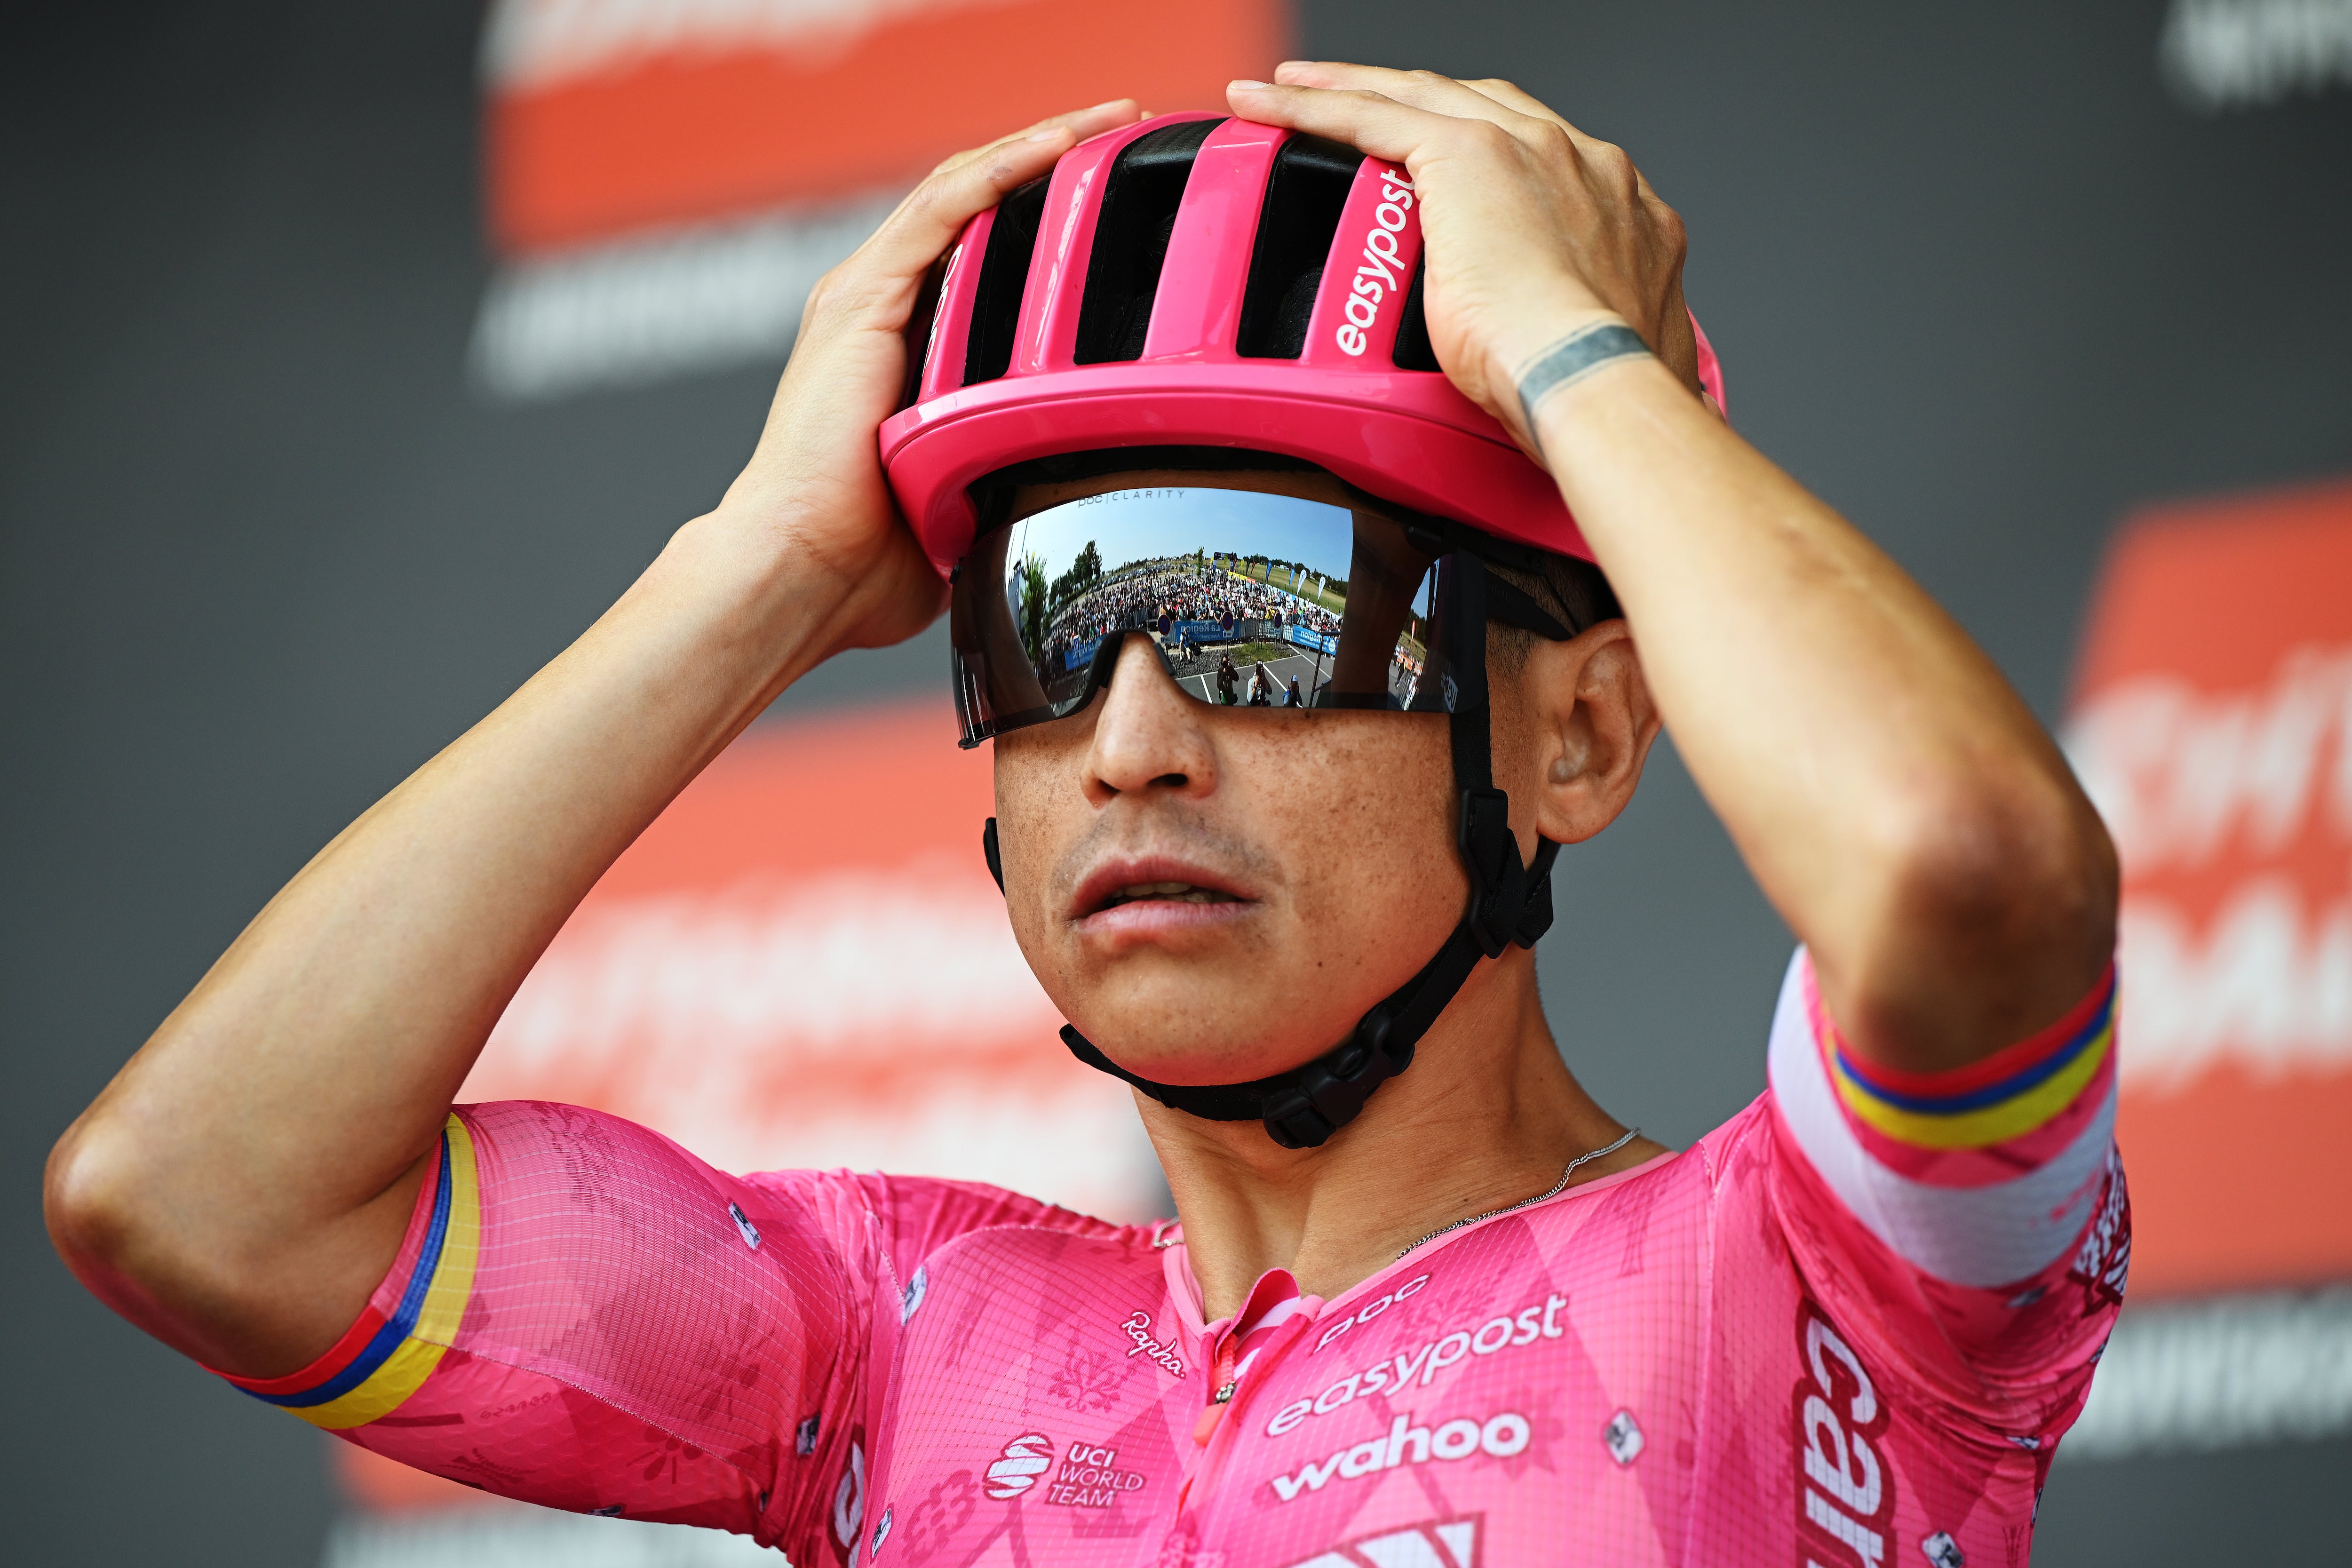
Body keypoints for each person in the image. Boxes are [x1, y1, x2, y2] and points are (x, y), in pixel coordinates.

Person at [45, 64, 2123, 1568]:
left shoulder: (1821, 1280)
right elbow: (200, 1202)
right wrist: (763, 567)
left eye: (1257, 613)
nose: (1128, 739)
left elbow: (1968, 873)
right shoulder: (888, 1344)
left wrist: (1575, 364)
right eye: (1042, 631)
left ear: (1572, 738)